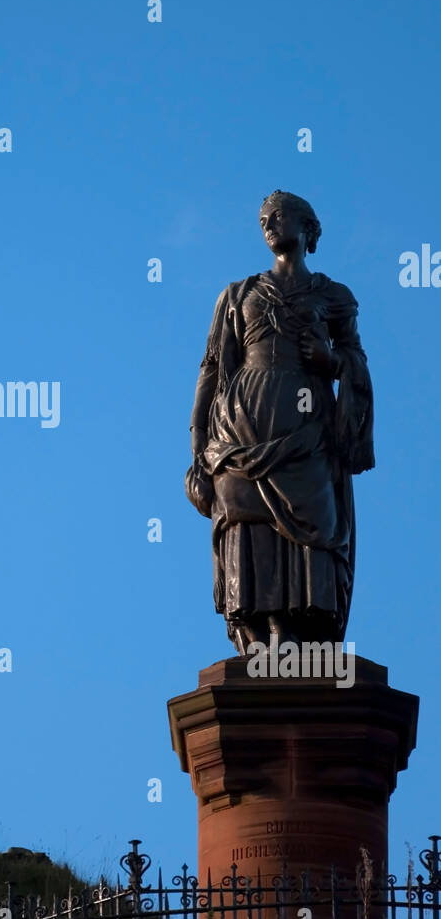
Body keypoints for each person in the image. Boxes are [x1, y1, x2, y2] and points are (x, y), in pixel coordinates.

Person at [185, 191, 374, 656]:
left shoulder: (332, 296)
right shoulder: (238, 295)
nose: (268, 222)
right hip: (239, 431)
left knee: (318, 519)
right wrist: (198, 449)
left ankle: (305, 631)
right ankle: (264, 630)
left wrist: (330, 360)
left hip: (307, 431)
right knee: (245, 516)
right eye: (263, 218)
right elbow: (210, 370)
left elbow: (356, 363)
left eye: (279, 215)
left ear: (308, 228)